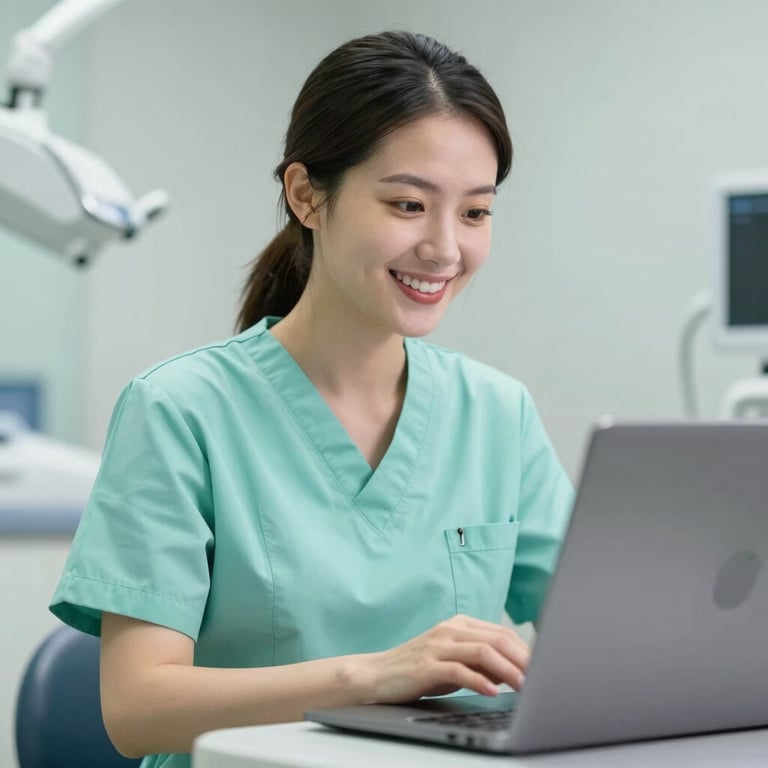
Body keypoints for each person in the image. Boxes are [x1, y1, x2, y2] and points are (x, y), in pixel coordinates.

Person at [50, 30, 574, 768]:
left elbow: (606, 642)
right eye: (407, 204)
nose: (445, 249)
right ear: (306, 195)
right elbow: (138, 711)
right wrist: (372, 677)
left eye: (475, 213)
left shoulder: (497, 413)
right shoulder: (180, 411)